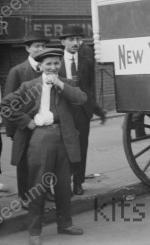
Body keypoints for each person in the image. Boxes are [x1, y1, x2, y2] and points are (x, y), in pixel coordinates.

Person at [1, 48, 87, 245]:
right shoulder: (29, 86)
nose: (53, 67)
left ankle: (65, 224)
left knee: (63, 185)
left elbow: (81, 99)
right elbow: (5, 105)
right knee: (37, 186)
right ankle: (35, 231)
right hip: (40, 138)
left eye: (57, 63)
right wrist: (25, 121)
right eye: (48, 64)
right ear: (40, 66)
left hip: (64, 139)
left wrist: (59, 83)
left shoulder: (66, 84)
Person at [4, 30, 49, 207]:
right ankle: (25, 198)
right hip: (24, 126)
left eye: (43, 46)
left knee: (44, 161)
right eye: (37, 46)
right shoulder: (17, 71)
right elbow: (8, 103)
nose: (40, 49)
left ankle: (45, 194)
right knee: (24, 163)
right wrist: (12, 130)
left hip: (45, 125)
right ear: (27, 48)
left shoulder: (48, 69)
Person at [58, 27, 96, 196]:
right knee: (63, 148)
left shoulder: (86, 61)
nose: (75, 43)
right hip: (63, 112)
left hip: (81, 112)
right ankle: (63, 183)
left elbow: (90, 86)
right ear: (63, 42)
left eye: (78, 39)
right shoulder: (55, 61)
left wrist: (90, 108)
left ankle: (78, 182)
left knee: (81, 147)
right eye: (71, 39)